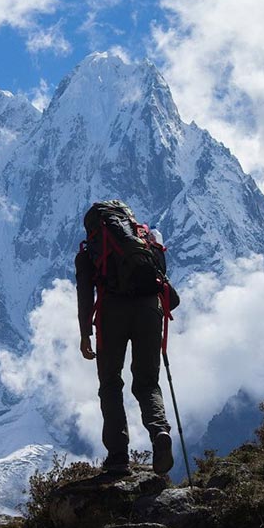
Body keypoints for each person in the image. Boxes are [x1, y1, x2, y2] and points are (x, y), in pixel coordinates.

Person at [75, 201, 176, 477]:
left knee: (110, 383)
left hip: (112, 313)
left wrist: (85, 332)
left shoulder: (89, 252)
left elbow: (85, 296)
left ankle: (118, 456)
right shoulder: (145, 238)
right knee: (147, 383)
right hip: (149, 310)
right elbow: (161, 274)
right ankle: (160, 433)